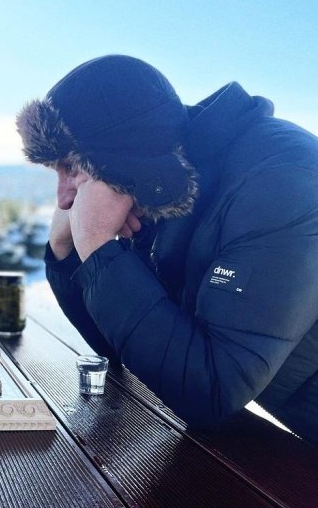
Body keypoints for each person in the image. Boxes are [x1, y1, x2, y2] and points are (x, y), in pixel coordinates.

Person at [16, 55, 318, 443]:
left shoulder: (282, 184)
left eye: (71, 168)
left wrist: (95, 244)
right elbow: (122, 348)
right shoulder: (163, 184)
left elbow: (209, 391)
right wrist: (68, 250)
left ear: (118, 156)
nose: (63, 199)